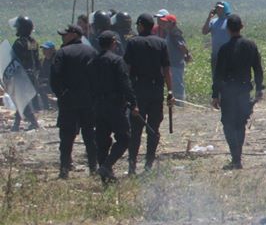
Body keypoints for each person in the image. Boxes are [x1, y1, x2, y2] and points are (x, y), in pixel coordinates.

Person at [212, 14, 264, 170]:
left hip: (228, 92)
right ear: (242, 26)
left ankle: (235, 156)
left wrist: (215, 94)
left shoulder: (224, 49)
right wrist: (259, 89)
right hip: (243, 90)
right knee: (240, 123)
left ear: (228, 29)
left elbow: (218, 74)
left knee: (228, 124)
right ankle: (237, 156)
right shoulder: (250, 45)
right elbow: (258, 69)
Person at [124, 14, 173, 173]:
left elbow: (128, 69)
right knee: (153, 129)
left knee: (136, 130)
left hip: (138, 90)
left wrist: (126, 91)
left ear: (140, 26)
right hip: (156, 90)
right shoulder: (161, 43)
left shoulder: (132, 43)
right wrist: (170, 90)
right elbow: (166, 70)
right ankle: (148, 164)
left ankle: (132, 165)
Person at [49, 24, 98, 178]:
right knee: (90, 136)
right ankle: (93, 168)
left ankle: (64, 169)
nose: (63, 37)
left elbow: (54, 76)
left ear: (75, 35)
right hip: (88, 100)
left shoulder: (62, 52)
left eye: (65, 34)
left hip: (68, 101)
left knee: (66, 137)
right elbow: (99, 75)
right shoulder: (91, 52)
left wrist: (62, 94)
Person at [92, 32, 138, 183]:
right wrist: (133, 103)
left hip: (98, 105)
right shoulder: (116, 61)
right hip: (115, 105)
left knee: (102, 141)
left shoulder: (93, 61)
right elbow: (125, 83)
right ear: (112, 43)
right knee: (125, 138)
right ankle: (107, 165)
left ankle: (105, 177)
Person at [11, 16, 41, 131]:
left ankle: (32, 121)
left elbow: (14, 59)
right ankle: (17, 123)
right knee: (22, 99)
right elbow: (36, 61)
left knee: (22, 99)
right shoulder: (33, 42)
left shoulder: (19, 43)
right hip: (32, 75)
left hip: (22, 75)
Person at [159, 15, 190, 102]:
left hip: (176, 63)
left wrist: (187, 55)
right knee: (174, 83)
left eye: (166, 22)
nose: (164, 23)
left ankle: (180, 103)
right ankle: (177, 102)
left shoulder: (174, 33)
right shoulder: (170, 32)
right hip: (172, 63)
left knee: (177, 84)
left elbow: (182, 46)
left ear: (172, 23)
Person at [202, 0, 233, 78]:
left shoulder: (230, 21)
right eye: (217, 8)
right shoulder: (213, 21)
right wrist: (209, 17)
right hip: (216, 54)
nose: (218, 10)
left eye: (220, 8)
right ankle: (217, 89)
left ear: (225, 9)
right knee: (216, 76)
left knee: (228, 75)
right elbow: (204, 31)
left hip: (228, 54)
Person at [37, 40, 56, 110]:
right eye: (43, 49)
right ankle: (46, 107)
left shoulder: (56, 59)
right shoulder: (45, 61)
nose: (44, 51)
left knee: (42, 87)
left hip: (56, 83)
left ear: (52, 50)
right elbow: (42, 74)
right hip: (48, 83)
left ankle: (48, 107)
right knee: (39, 87)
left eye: (46, 49)